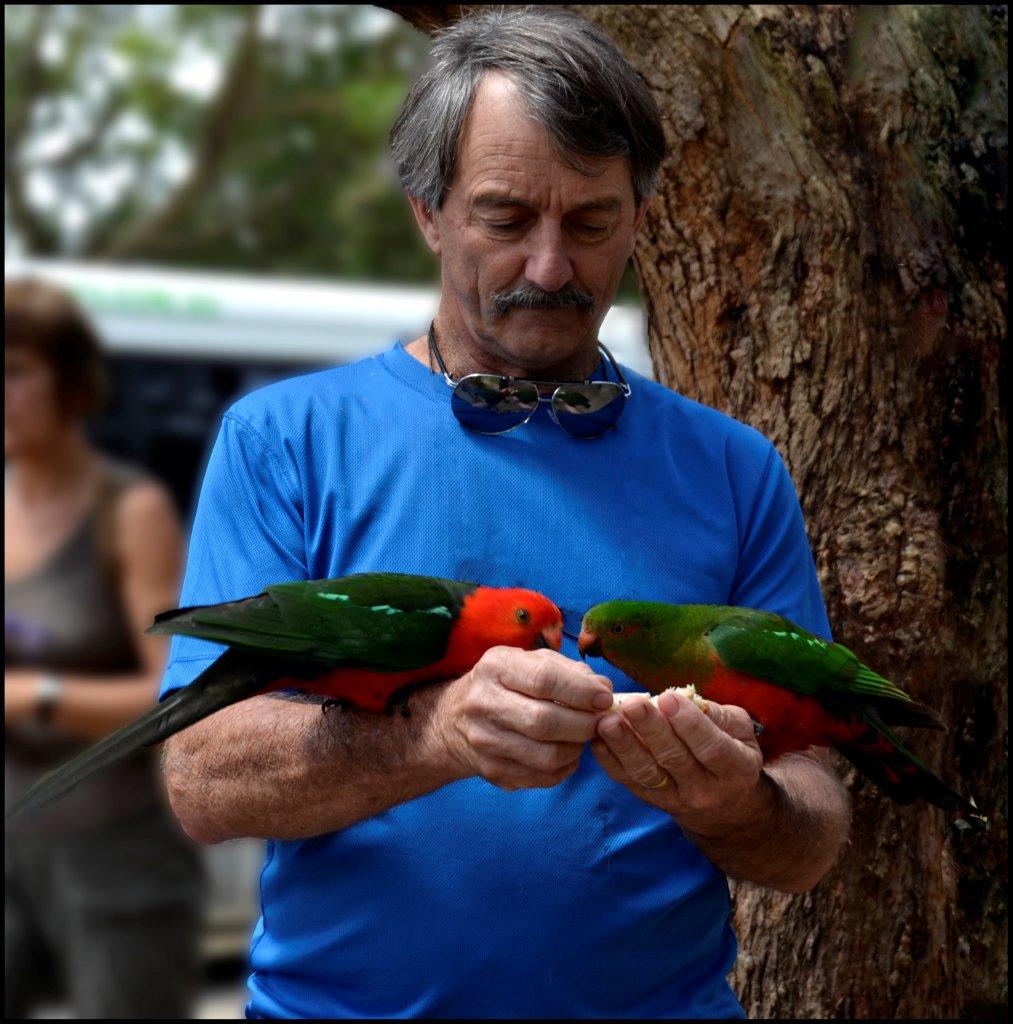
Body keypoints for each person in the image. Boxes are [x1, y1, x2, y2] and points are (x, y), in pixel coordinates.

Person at [160, 9, 850, 1019]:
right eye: (503, 216)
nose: (549, 267)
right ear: (426, 213)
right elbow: (199, 777)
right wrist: (430, 735)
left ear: (639, 217)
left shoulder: (733, 469)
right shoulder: (284, 441)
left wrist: (738, 802)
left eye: (589, 222)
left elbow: (812, 826)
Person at [4, 278, 205, 1018]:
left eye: (16, 371)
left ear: (72, 384)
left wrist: (37, 696)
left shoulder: (129, 511)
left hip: (114, 860)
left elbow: (177, 696)